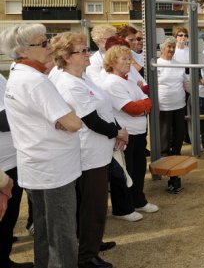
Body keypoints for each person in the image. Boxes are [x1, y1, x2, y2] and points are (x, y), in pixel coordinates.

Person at [0, 23, 82, 268]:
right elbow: (73, 122)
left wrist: (64, 118)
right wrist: (68, 116)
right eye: (43, 43)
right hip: (53, 169)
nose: (50, 46)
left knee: (47, 231)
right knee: (62, 236)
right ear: (23, 50)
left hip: (38, 166)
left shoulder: (18, 72)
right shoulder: (36, 81)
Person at [51, 33, 128, 268]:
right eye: (82, 51)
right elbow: (91, 120)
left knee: (92, 204)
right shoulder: (68, 83)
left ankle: (91, 241)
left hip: (99, 151)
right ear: (66, 56)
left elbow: (104, 110)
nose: (89, 54)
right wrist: (117, 133)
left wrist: (116, 129)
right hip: (88, 154)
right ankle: (86, 256)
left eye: (87, 49)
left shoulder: (83, 78)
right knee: (92, 206)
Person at [102, 45, 158, 222]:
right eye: (124, 59)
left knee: (139, 169)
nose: (129, 62)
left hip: (139, 133)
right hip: (126, 134)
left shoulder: (128, 80)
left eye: (129, 59)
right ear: (112, 62)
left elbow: (146, 100)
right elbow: (132, 108)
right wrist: (144, 106)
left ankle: (138, 200)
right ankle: (123, 208)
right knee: (126, 172)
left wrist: (143, 105)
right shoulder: (111, 82)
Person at [0, 74, 34, 268]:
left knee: (9, 215)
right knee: (4, 213)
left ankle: (4, 258)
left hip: (12, 158)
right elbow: (3, 121)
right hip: (3, 164)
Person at [157, 37, 190, 192]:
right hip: (163, 107)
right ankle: (166, 175)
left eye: (172, 47)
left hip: (179, 105)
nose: (171, 50)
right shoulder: (157, 64)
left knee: (177, 140)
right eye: (168, 47)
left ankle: (175, 177)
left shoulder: (178, 64)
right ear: (162, 49)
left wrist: (199, 89)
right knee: (164, 142)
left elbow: (186, 83)